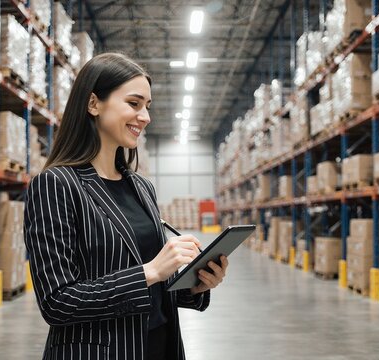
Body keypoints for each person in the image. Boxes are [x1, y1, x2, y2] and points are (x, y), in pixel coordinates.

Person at [24, 53, 229, 360]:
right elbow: (58, 301)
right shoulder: (56, 185)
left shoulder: (141, 187)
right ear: (94, 104)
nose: (145, 116)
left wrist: (194, 286)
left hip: (159, 346)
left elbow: (156, 286)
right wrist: (149, 272)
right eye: (134, 104)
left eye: (147, 106)